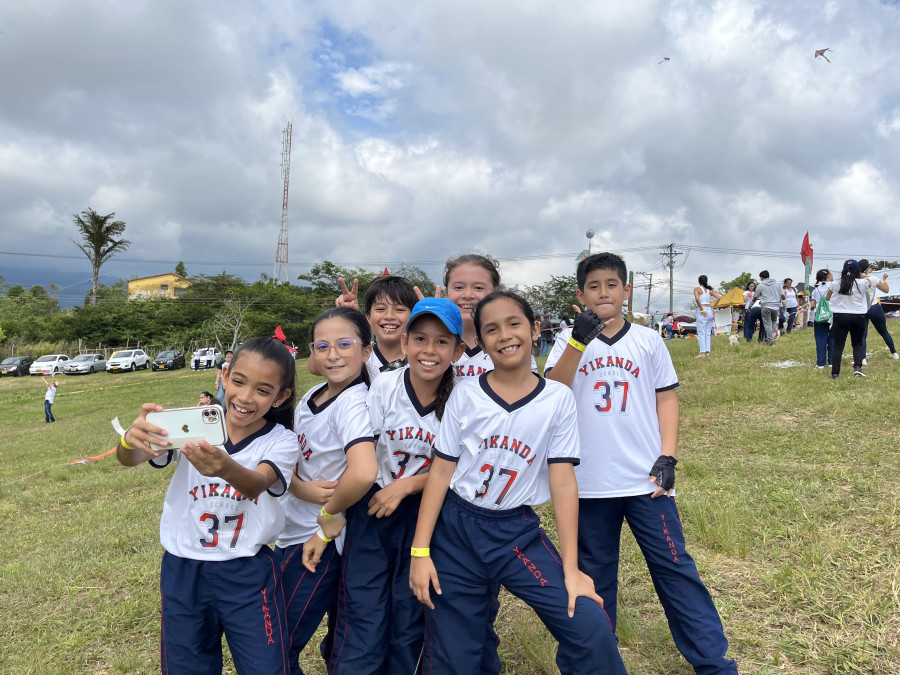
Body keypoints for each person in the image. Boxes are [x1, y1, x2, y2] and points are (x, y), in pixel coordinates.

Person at [409, 291, 626, 675]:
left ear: (535, 329)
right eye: (492, 329)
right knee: (454, 656)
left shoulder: (557, 399)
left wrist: (571, 569)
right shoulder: (465, 393)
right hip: (456, 533)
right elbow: (441, 473)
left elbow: (563, 482)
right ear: (481, 341)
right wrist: (420, 551)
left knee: (588, 624)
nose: (505, 335)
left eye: (514, 323)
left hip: (514, 534)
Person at [545, 252, 738, 673]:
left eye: (611, 285)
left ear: (626, 290)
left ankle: (714, 663)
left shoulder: (648, 340)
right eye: (593, 286)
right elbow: (551, 394)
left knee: (675, 569)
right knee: (595, 578)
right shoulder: (566, 341)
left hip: (646, 481)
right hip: (588, 484)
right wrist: (578, 342)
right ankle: (595, 664)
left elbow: (665, 398)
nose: (603, 293)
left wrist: (668, 455)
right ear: (581, 293)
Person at [115, 336, 300, 674]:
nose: (245, 397)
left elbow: (257, 484)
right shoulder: (191, 426)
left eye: (262, 390)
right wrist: (131, 439)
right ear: (225, 376)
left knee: (266, 666)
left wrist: (225, 467)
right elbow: (130, 458)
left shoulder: (282, 440)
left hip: (247, 571)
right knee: (187, 665)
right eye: (239, 381)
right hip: (184, 567)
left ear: (281, 396)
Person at [329, 298, 465, 674]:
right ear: (404, 343)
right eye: (420, 338)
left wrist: (407, 486)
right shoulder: (386, 385)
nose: (429, 350)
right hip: (374, 505)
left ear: (458, 350)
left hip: (427, 511)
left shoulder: (464, 396)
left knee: (409, 613)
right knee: (363, 607)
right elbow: (366, 450)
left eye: (442, 342)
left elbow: (463, 468)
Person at [275, 307, 377, 675]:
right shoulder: (315, 395)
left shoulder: (354, 403)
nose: (333, 354)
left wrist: (328, 518)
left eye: (345, 344)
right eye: (322, 346)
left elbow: (364, 471)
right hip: (292, 532)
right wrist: (299, 487)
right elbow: (298, 461)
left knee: (277, 644)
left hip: (316, 542)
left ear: (366, 352)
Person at [443, 253, 537, 379]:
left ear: (495, 292)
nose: (468, 295)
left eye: (478, 288)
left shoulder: (510, 345)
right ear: (446, 292)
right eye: (459, 287)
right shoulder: (432, 343)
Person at [328, 274, 417, 381]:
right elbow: (315, 368)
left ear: (413, 317)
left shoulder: (421, 356)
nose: (389, 316)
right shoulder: (360, 354)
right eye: (380, 309)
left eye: (399, 309)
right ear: (368, 317)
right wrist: (347, 319)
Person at [826, 259, 874, 378]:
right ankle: (857, 367)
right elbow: (870, 283)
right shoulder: (862, 283)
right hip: (858, 316)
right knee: (857, 343)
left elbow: (827, 297)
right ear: (858, 271)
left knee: (838, 346)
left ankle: (835, 373)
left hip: (839, 316)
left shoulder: (835, 284)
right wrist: (863, 275)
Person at [857, 260, 897, 362]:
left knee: (862, 335)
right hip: (874, 307)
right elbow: (886, 290)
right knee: (884, 332)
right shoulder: (873, 279)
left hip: (861, 309)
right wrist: (884, 280)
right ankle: (894, 353)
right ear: (867, 270)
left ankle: (862, 359)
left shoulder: (854, 281)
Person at [809, 269, 835, 370]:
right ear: (828, 276)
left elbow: (813, 305)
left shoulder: (816, 289)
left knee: (820, 338)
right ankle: (832, 362)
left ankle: (820, 363)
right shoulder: (834, 286)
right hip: (833, 314)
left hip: (820, 315)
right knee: (833, 338)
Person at [693, 275, 720, 358]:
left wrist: (702, 309)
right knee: (707, 332)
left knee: (701, 332)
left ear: (699, 281)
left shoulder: (697, 289)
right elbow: (718, 297)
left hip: (703, 310)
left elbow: (697, 299)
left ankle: (702, 353)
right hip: (709, 310)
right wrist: (713, 307)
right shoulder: (710, 290)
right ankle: (707, 351)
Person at [753, 270, 783, 346]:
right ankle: (770, 338)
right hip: (775, 306)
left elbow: (755, 297)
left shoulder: (761, 285)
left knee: (767, 324)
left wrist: (750, 305)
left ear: (761, 277)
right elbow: (783, 296)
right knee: (773, 322)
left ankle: (770, 340)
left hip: (766, 306)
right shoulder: (777, 284)